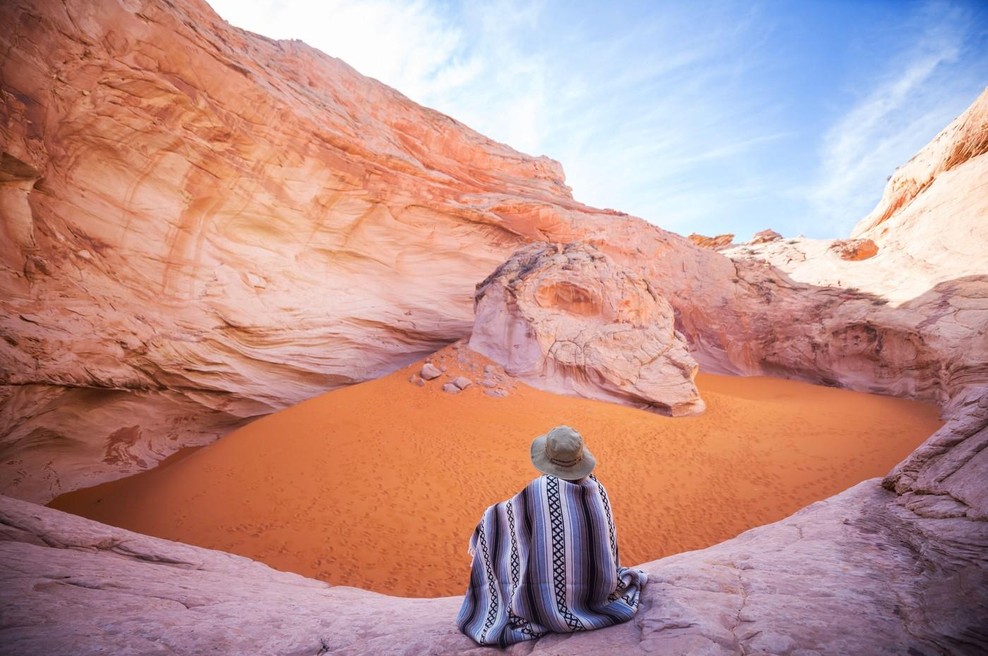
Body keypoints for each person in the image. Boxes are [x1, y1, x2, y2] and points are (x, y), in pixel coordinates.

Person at [456, 425, 647, 647]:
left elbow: (501, 518)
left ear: (547, 458)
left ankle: (546, 595)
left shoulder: (541, 490)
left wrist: (487, 519)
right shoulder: (597, 488)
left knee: (503, 536)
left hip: (547, 606)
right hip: (598, 592)